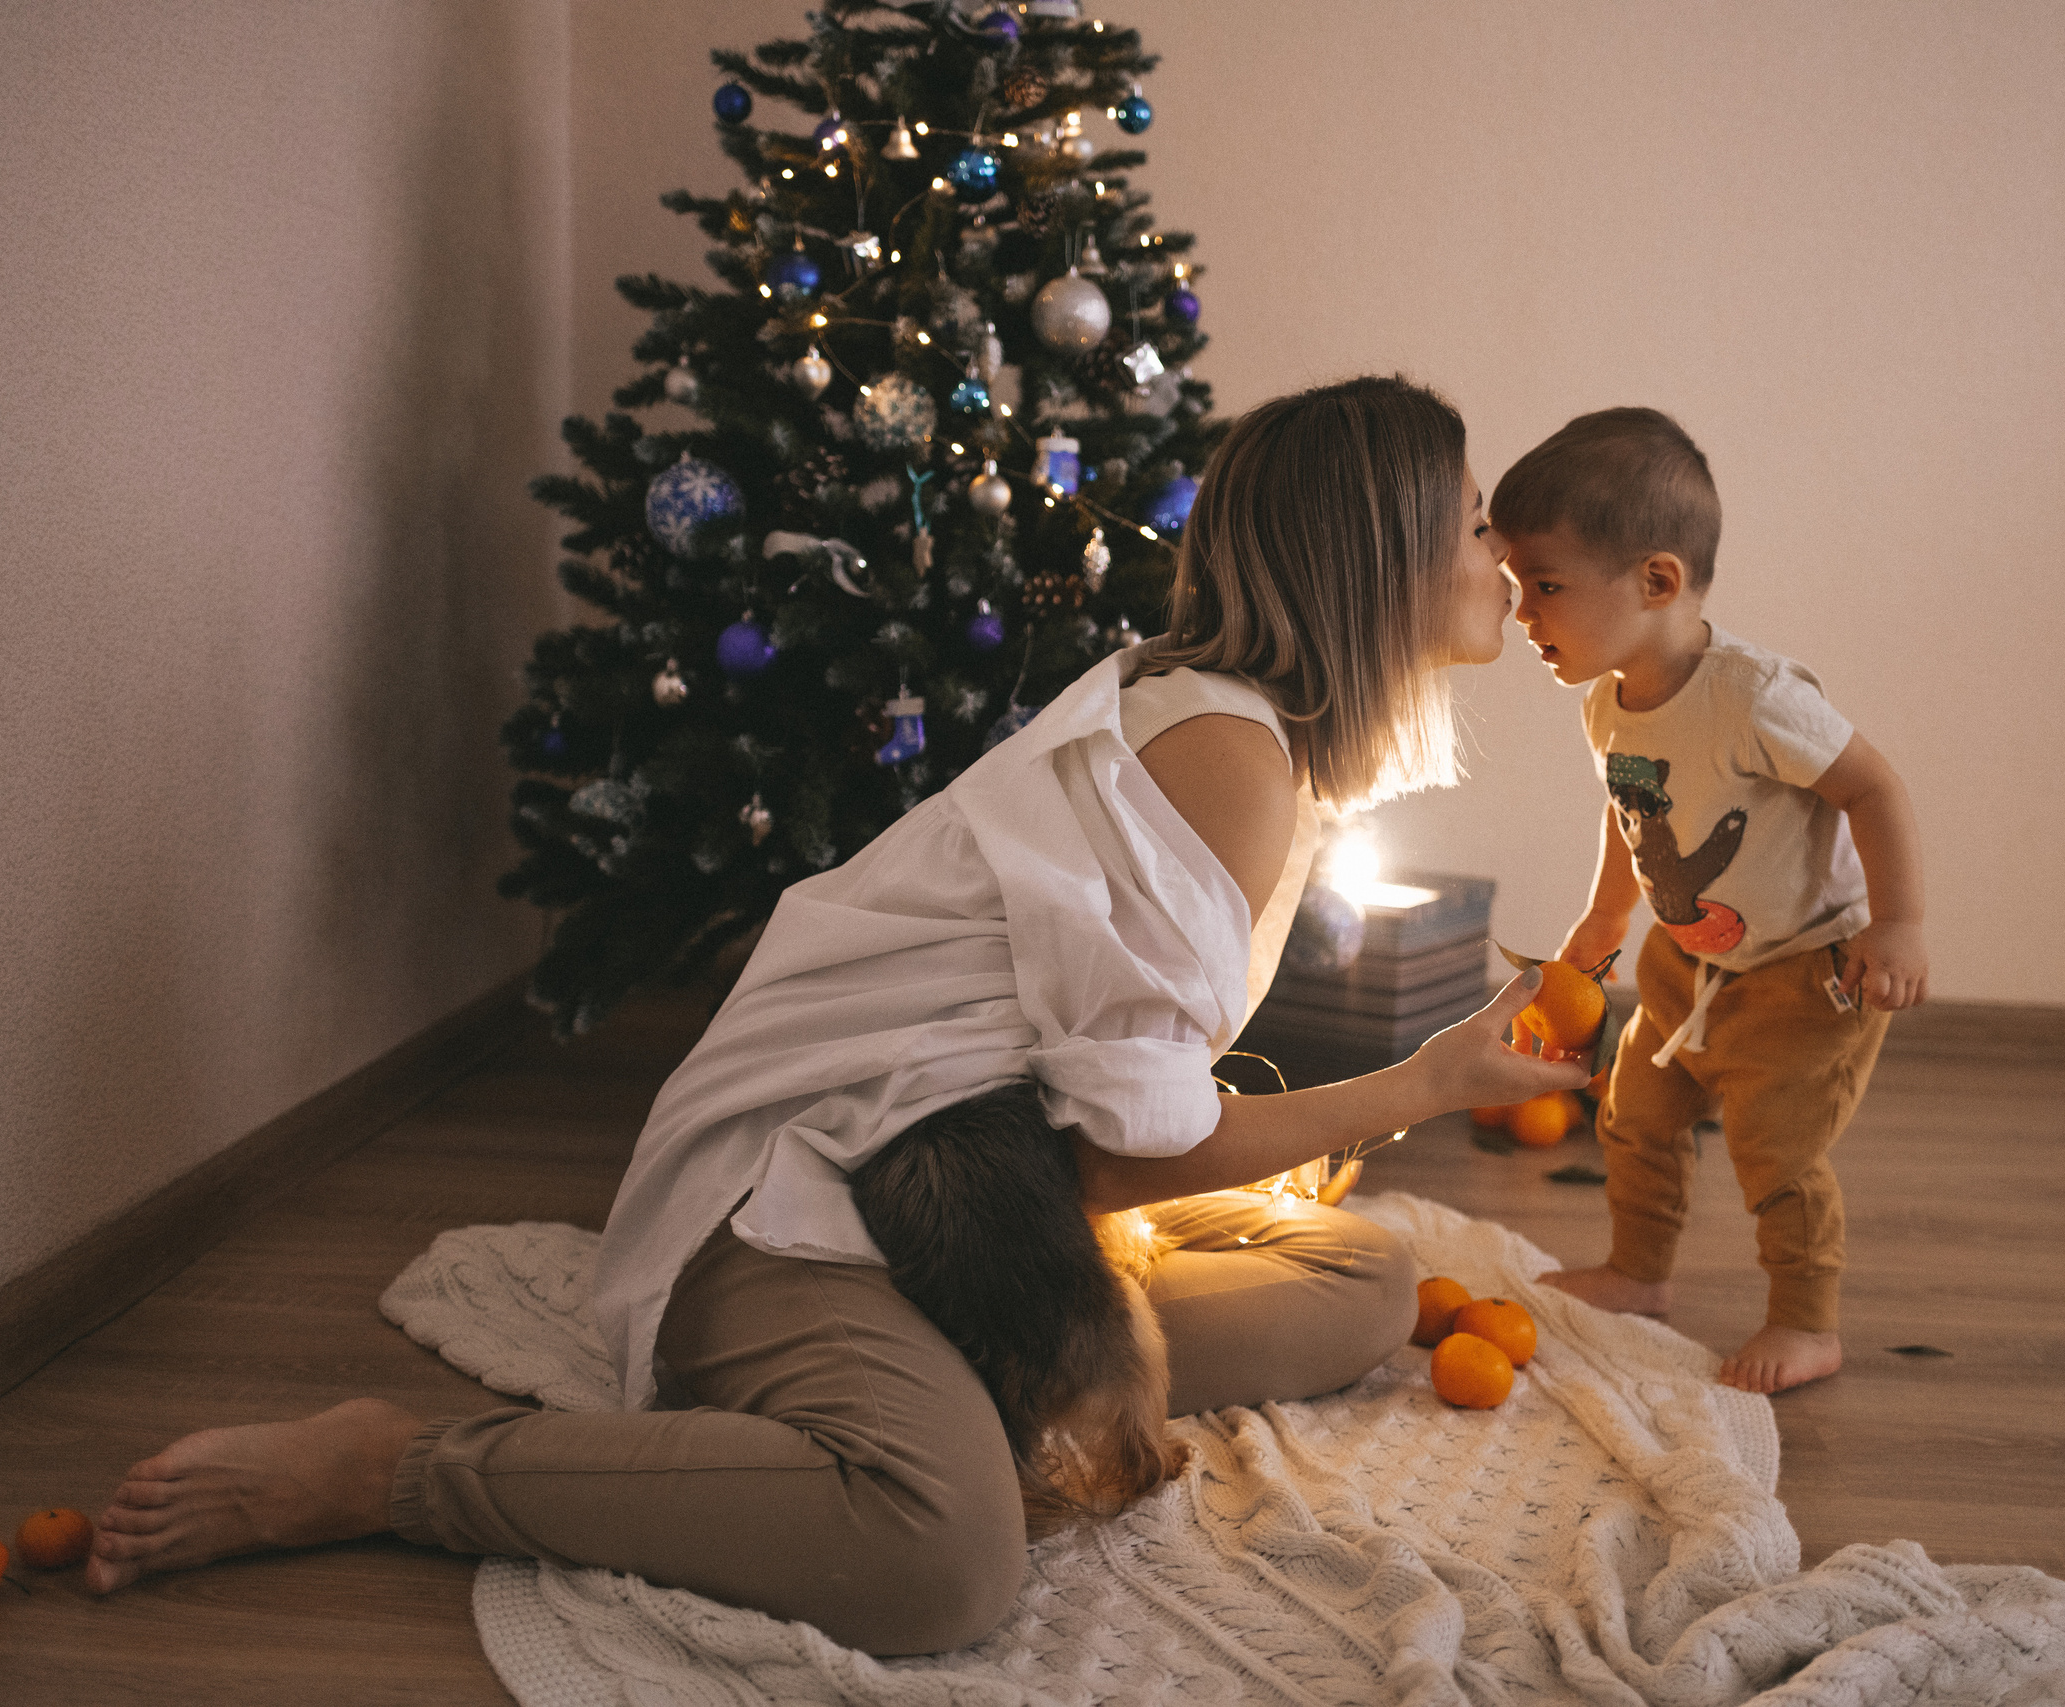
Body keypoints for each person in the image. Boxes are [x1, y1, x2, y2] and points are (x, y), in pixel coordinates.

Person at [81, 376, 1588, 1654]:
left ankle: (955, 1376)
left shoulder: (1253, 741)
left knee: (1364, 1280)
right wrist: (1423, 1080)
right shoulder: (1227, 765)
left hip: (974, 1191)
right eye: (1468, 525)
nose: (1501, 556)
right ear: (1375, 558)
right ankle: (389, 1468)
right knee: (947, 1559)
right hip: (808, 1188)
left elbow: (1086, 1121)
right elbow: (1132, 1153)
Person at [1498, 407, 1929, 1396]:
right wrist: (1608, 918)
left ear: (1655, 581)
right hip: (1684, 958)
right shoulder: (1605, 699)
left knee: (1773, 1153)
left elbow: (1874, 789)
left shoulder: (1755, 697)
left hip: (1803, 972)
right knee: (1632, 1112)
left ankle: (1804, 1322)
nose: (1523, 614)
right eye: (1518, 588)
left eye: (1546, 587)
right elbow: (1629, 807)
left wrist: (1899, 924)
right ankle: (1638, 1272)